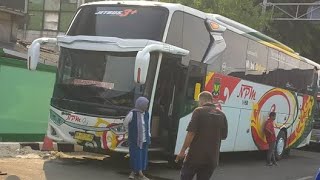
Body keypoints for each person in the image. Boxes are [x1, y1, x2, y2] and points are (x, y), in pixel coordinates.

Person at [176, 91, 228, 180]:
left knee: (185, 176)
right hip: (212, 158)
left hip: (195, 157)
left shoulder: (198, 111)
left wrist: (182, 151)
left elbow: (191, 133)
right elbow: (224, 136)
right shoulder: (222, 114)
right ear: (211, 100)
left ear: (201, 101)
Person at [124, 97, 151, 180]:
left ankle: (136, 172)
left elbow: (147, 125)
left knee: (142, 157)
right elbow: (125, 123)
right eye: (145, 104)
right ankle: (140, 174)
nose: (147, 106)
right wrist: (130, 132)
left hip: (144, 139)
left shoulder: (146, 113)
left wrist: (148, 135)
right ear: (141, 104)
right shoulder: (132, 114)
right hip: (135, 139)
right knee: (135, 156)